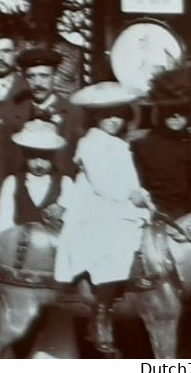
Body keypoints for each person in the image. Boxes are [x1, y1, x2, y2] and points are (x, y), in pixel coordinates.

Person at [52, 82, 152, 351]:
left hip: (117, 204)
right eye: (106, 115)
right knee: (110, 247)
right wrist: (129, 195)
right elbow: (103, 184)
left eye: (118, 115)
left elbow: (129, 179)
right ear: (95, 116)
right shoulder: (90, 142)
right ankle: (100, 314)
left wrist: (140, 194)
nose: (113, 120)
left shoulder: (119, 144)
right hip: (95, 208)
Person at [132, 63, 191, 221]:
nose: (176, 117)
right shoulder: (143, 146)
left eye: (182, 112)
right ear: (162, 111)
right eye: (170, 112)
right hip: (156, 220)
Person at [6, 45, 83, 173]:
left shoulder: (74, 114)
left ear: (55, 77)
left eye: (44, 76)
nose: (38, 83)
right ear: (25, 78)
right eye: (32, 76)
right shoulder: (13, 113)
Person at [0, 118, 68, 235]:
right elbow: (3, 227)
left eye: (44, 157)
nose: (38, 164)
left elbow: (73, 225)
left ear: (53, 155)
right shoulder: (12, 183)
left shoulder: (65, 183)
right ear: (24, 153)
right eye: (33, 156)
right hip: (20, 249)